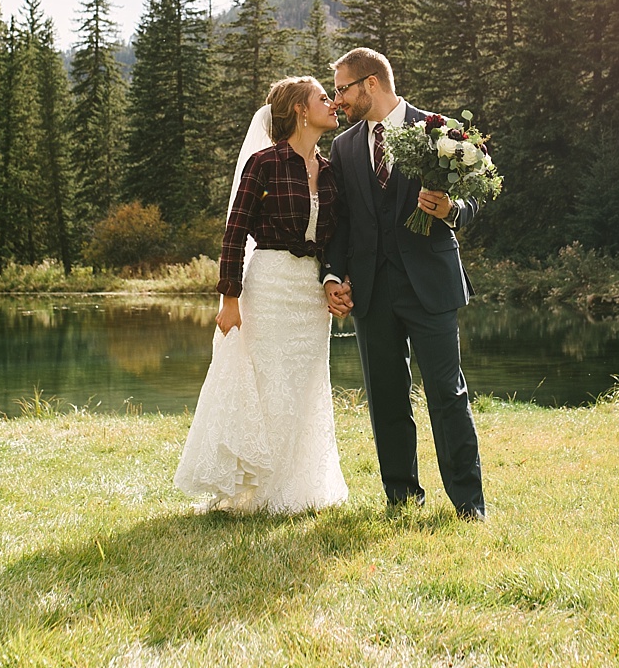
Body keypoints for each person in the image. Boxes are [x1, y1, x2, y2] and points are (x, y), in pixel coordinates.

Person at [323, 47, 486, 519]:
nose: (338, 100)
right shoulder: (345, 147)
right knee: (386, 399)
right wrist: (335, 274)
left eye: (343, 89)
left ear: (371, 83)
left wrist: (452, 211)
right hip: (373, 293)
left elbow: (476, 195)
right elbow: (344, 221)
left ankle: (469, 503)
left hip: (430, 285)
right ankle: (402, 498)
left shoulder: (438, 130)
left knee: (446, 394)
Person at [174, 76, 349, 513]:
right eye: (322, 98)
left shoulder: (329, 171)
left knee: (304, 385)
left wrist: (334, 281)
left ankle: (298, 487)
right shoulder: (264, 164)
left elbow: (337, 238)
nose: (333, 103)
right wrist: (230, 299)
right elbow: (235, 233)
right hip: (268, 286)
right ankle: (255, 488)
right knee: (269, 382)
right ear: (300, 111)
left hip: (310, 297)